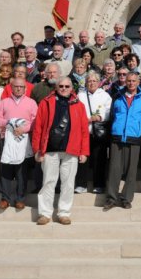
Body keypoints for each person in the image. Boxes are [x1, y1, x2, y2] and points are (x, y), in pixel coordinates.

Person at [32, 77, 89, 225]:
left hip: (72, 149)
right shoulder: (46, 102)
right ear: (56, 88)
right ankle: (44, 213)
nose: (64, 88)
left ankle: (64, 212)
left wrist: (84, 151)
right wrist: (37, 149)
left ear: (72, 88)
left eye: (67, 86)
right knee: (48, 182)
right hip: (50, 149)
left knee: (68, 183)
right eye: (61, 86)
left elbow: (84, 130)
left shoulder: (79, 105)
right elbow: (38, 127)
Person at [103, 72, 141, 210]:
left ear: (138, 82)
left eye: (133, 81)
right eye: (128, 81)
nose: (131, 83)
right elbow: (112, 117)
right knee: (114, 169)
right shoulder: (117, 97)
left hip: (134, 138)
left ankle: (126, 198)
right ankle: (111, 198)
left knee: (131, 171)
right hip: (117, 137)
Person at [0, 78, 38, 210]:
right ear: (11, 88)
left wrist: (23, 129)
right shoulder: (4, 102)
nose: (18, 89)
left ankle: (20, 198)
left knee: (21, 171)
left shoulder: (31, 103)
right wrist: (8, 124)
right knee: (6, 170)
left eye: (21, 87)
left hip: (23, 140)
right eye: (16, 86)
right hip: (6, 138)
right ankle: (5, 198)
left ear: (25, 88)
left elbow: (36, 121)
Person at [75, 71, 112, 194]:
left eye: (94, 81)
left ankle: (99, 184)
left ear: (99, 82)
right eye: (89, 81)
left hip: (98, 132)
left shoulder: (105, 95)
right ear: (85, 83)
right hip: (83, 132)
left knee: (99, 159)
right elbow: (75, 110)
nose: (91, 83)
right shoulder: (80, 95)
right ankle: (81, 184)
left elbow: (108, 111)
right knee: (82, 159)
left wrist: (99, 117)